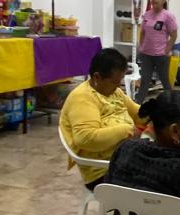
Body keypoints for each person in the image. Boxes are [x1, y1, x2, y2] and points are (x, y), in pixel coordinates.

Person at [59, 48, 144, 190]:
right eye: (114, 81)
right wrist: (127, 130)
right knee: (160, 183)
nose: (118, 86)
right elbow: (86, 138)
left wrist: (157, 112)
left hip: (124, 158)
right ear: (97, 77)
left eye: (120, 80)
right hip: (103, 171)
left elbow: (137, 114)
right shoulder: (82, 98)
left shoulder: (113, 91)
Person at [136, 0, 177, 101]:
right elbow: (142, 32)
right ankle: (138, 104)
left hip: (161, 55)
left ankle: (171, 103)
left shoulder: (168, 16)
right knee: (144, 80)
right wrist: (141, 47)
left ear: (163, 0)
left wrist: (166, 50)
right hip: (146, 55)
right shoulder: (147, 15)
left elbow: (173, 35)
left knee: (165, 81)